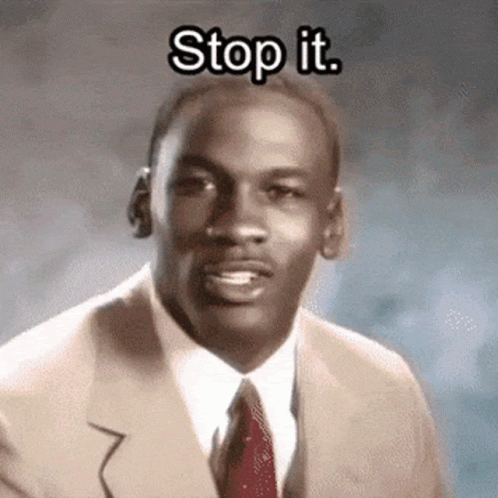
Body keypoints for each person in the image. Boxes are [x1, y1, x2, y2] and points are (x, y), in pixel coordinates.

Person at [0, 73, 446, 497]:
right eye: (200, 185)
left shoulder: (386, 393)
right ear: (143, 204)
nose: (237, 226)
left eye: (282, 192)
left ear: (332, 224)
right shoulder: (18, 413)